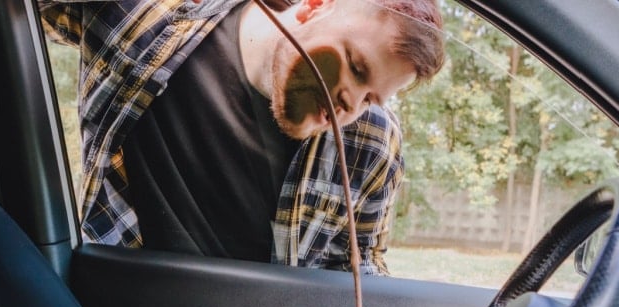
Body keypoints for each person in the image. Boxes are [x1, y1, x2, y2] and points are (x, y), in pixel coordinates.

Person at [39, 0, 444, 274]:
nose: (350, 103)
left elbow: (360, 268)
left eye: (373, 98)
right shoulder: (154, 15)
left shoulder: (372, 144)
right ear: (314, 7)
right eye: (356, 68)